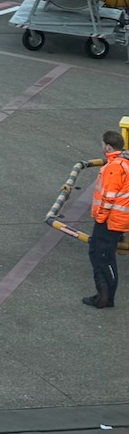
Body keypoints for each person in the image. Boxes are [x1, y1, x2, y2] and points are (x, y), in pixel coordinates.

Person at [86, 129, 129, 309]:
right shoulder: (122, 164)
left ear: (108, 147)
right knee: (98, 253)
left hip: (110, 220)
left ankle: (105, 297)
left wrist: (100, 218)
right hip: (115, 219)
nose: (101, 147)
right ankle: (102, 295)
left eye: (103, 144)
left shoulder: (114, 167)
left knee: (104, 257)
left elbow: (108, 197)